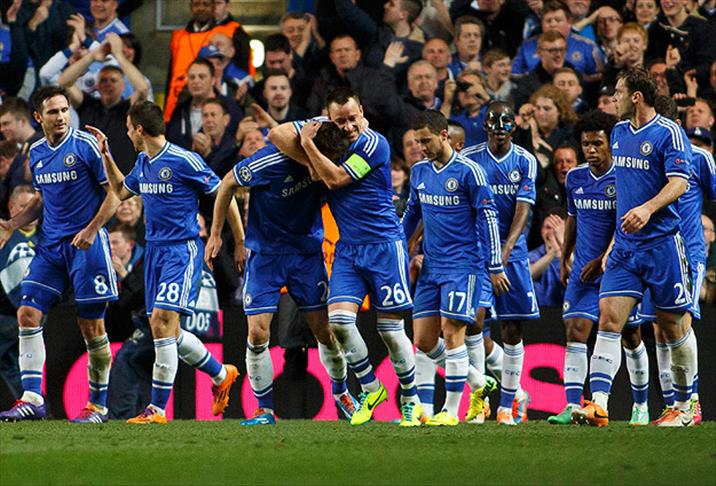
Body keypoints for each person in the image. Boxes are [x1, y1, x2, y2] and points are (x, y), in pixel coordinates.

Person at [270, 87, 422, 427]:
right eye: (340, 121)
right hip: (349, 250)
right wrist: (310, 151)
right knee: (338, 322)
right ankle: (371, 388)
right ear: (329, 119)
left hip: (384, 246)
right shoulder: (327, 132)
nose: (349, 127)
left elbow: (336, 178)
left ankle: (410, 399)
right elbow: (276, 134)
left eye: (353, 118)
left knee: (390, 331)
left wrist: (309, 147)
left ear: (362, 112)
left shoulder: (374, 144)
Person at [86, 100, 242, 424]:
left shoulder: (184, 160)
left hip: (181, 251)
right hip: (155, 253)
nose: (128, 134)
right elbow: (121, 190)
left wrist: (234, 240)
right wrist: (106, 154)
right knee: (170, 331)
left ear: (139, 129)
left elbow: (224, 192)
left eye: (128, 129)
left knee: (160, 323)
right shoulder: (144, 162)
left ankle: (156, 410)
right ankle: (220, 374)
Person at [208, 122, 357, 426]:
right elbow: (227, 183)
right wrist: (217, 234)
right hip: (266, 256)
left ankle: (342, 394)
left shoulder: (328, 148)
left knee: (323, 331)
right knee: (257, 333)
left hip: (306, 256)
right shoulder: (269, 162)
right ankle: (264, 410)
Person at [572, 67, 695, 427]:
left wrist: (647, 209)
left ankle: (686, 406)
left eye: (618, 93)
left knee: (672, 326)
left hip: (662, 244)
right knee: (609, 317)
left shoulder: (668, 132)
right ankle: (599, 405)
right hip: (626, 247)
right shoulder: (619, 132)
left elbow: (679, 183)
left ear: (636, 97)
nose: (614, 99)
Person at [0, 86, 120, 423]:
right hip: (51, 248)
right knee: (27, 313)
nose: (61, 117)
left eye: (65, 110)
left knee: (91, 326)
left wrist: (92, 230)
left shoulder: (85, 145)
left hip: (87, 246)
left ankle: (98, 406)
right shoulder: (36, 152)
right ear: (38, 117)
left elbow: (114, 194)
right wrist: (11, 225)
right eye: (53, 112)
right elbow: (42, 200)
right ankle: (32, 398)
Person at [402, 110, 508, 426]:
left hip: (464, 266)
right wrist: (396, 246)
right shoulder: (419, 172)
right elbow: (411, 214)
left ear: (444, 135)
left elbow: (489, 218)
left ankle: (450, 411)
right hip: (431, 267)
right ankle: (477, 380)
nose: (421, 148)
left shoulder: (470, 172)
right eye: (417, 142)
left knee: (452, 333)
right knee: (423, 340)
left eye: (426, 141)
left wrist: (495, 265)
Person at [462, 101, 539, 426]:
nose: (499, 127)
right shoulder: (470, 159)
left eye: (506, 120)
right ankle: (480, 401)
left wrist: (505, 251)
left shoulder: (525, 160)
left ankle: (508, 404)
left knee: (511, 328)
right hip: (477, 252)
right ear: (484, 125)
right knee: (474, 323)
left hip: (513, 252)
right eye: (493, 120)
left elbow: (524, 209)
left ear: (514, 126)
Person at [545, 110, 620, 424]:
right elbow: (572, 218)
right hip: (582, 268)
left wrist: (603, 258)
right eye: (586, 144)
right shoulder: (576, 177)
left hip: (616, 267)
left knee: (627, 335)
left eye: (597, 143)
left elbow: (624, 224)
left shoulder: (623, 177)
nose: (590, 149)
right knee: (574, 329)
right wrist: (565, 257)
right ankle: (572, 406)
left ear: (610, 143)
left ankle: (632, 403)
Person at [648, 96, 716, 426]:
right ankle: (673, 404)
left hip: (689, 252)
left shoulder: (700, 158)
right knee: (661, 329)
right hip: (658, 251)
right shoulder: (647, 158)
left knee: (681, 322)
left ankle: (692, 403)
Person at [0, 185, 38, 401]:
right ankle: (35, 407)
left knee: (17, 365)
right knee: (12, 366)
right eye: (23, 206)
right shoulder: (4, 233)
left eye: (32, 207)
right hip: (6, 311)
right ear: (11, 207)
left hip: (26, 314)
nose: (28, 213)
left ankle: (34, 405)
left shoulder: (48, 235)